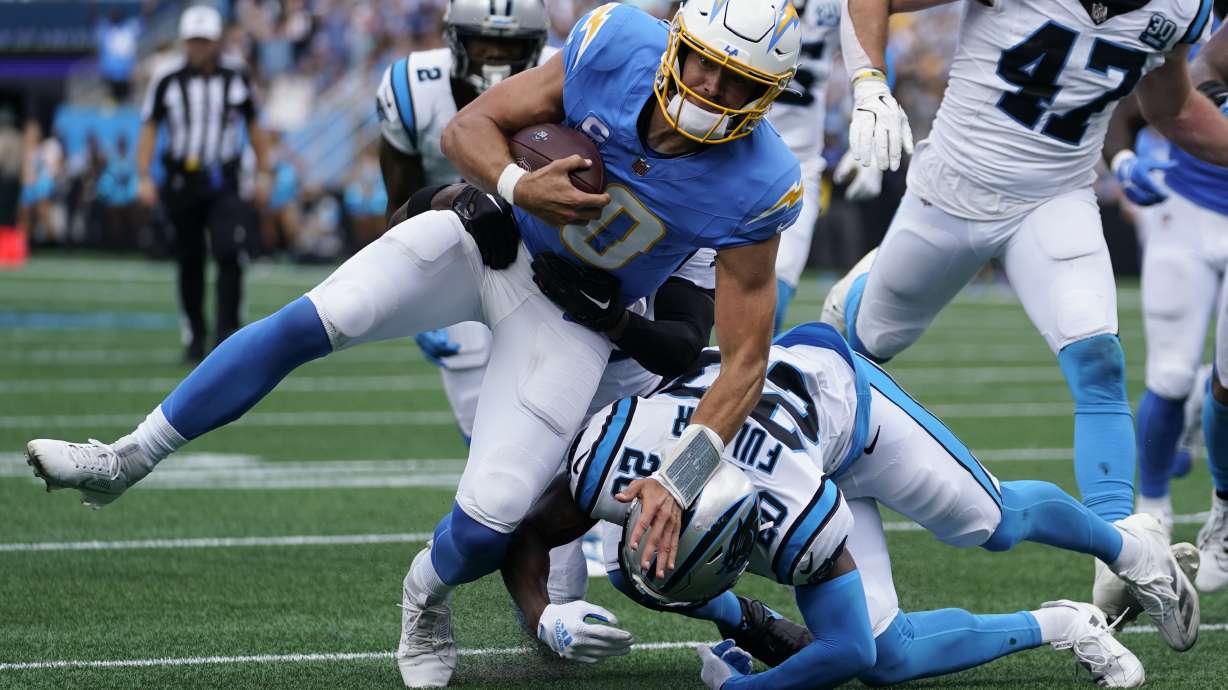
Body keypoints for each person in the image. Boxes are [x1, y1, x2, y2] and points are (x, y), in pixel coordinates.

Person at [25, 1, 805, 686]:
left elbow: (741, 360)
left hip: (570, 317)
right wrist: (514, 185)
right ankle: (124, 458)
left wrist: (681, 474)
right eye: (707, 67)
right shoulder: (617, 44)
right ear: (678, 48)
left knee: (492, 519)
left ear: (768, 98)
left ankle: (424, 597)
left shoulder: (759, 180)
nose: (715, 92)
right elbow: (467, 128)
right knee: (316, 318)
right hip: (489, 239)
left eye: (741, 84)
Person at [502, 322, 1187, 689]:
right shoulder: (612, 461)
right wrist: (544, 619)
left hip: (853, 414)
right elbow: (528, 534)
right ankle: (1065, 624)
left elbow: (840, 648)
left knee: (994, 523)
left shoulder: (790, 514)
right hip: (790, 456)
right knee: (890, 660)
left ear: (747, 543)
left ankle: (1131, 548)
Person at [827, 0, 1228, 621]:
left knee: (1098, 358)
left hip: (1056, 196)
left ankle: (1120, 551)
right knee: (866, 340)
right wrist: (870, 85)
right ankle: (855, 296)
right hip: (951, 189)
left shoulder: (1178, 10)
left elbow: (1172, 107)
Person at [375, 0, 551, 442]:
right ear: (455, 39)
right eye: (483, 42)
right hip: (449, 245)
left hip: (547, 249)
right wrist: (408, 296)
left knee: (554, 414)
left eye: (509, 45)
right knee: (481, 427)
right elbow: (398, 205)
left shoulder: (568, 80)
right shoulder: (413, 87)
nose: (494, 56)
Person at [136, 4, 271, 362]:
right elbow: (149, 128)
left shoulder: (236, 76)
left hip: (224, 177)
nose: (198, 48)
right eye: (193, 41)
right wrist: (144, 175)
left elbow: (255, 126)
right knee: (189, 258)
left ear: (217, 41)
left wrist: (264, 172)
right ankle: (195, 335)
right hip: (182, 179)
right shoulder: (166, 78)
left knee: (229, 251)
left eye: (205, 41)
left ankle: (226, 335)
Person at [768, 0, 883, 333]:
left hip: (797, 165)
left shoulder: (834, 5)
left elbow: (864, 48)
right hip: (728, 149)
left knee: (769, 303)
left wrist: (869, 128)